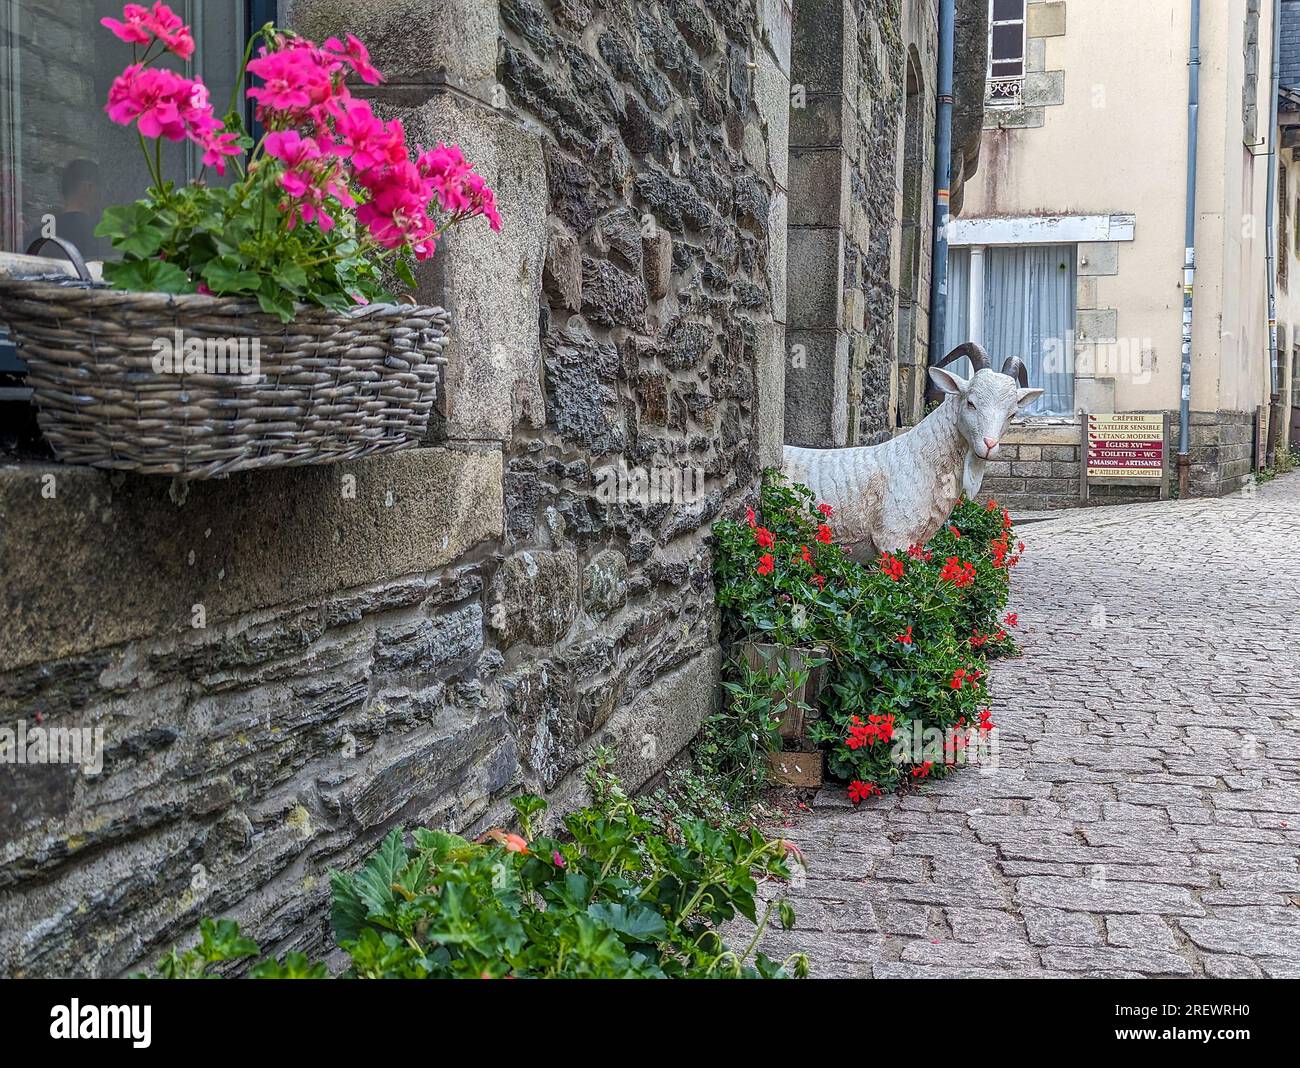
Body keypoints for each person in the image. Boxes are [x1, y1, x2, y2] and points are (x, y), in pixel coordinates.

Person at [25, 159, 108, 261]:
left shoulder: (38, 235)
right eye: (101, 187)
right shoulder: (100, 235)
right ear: (88, 188)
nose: (103, 194)